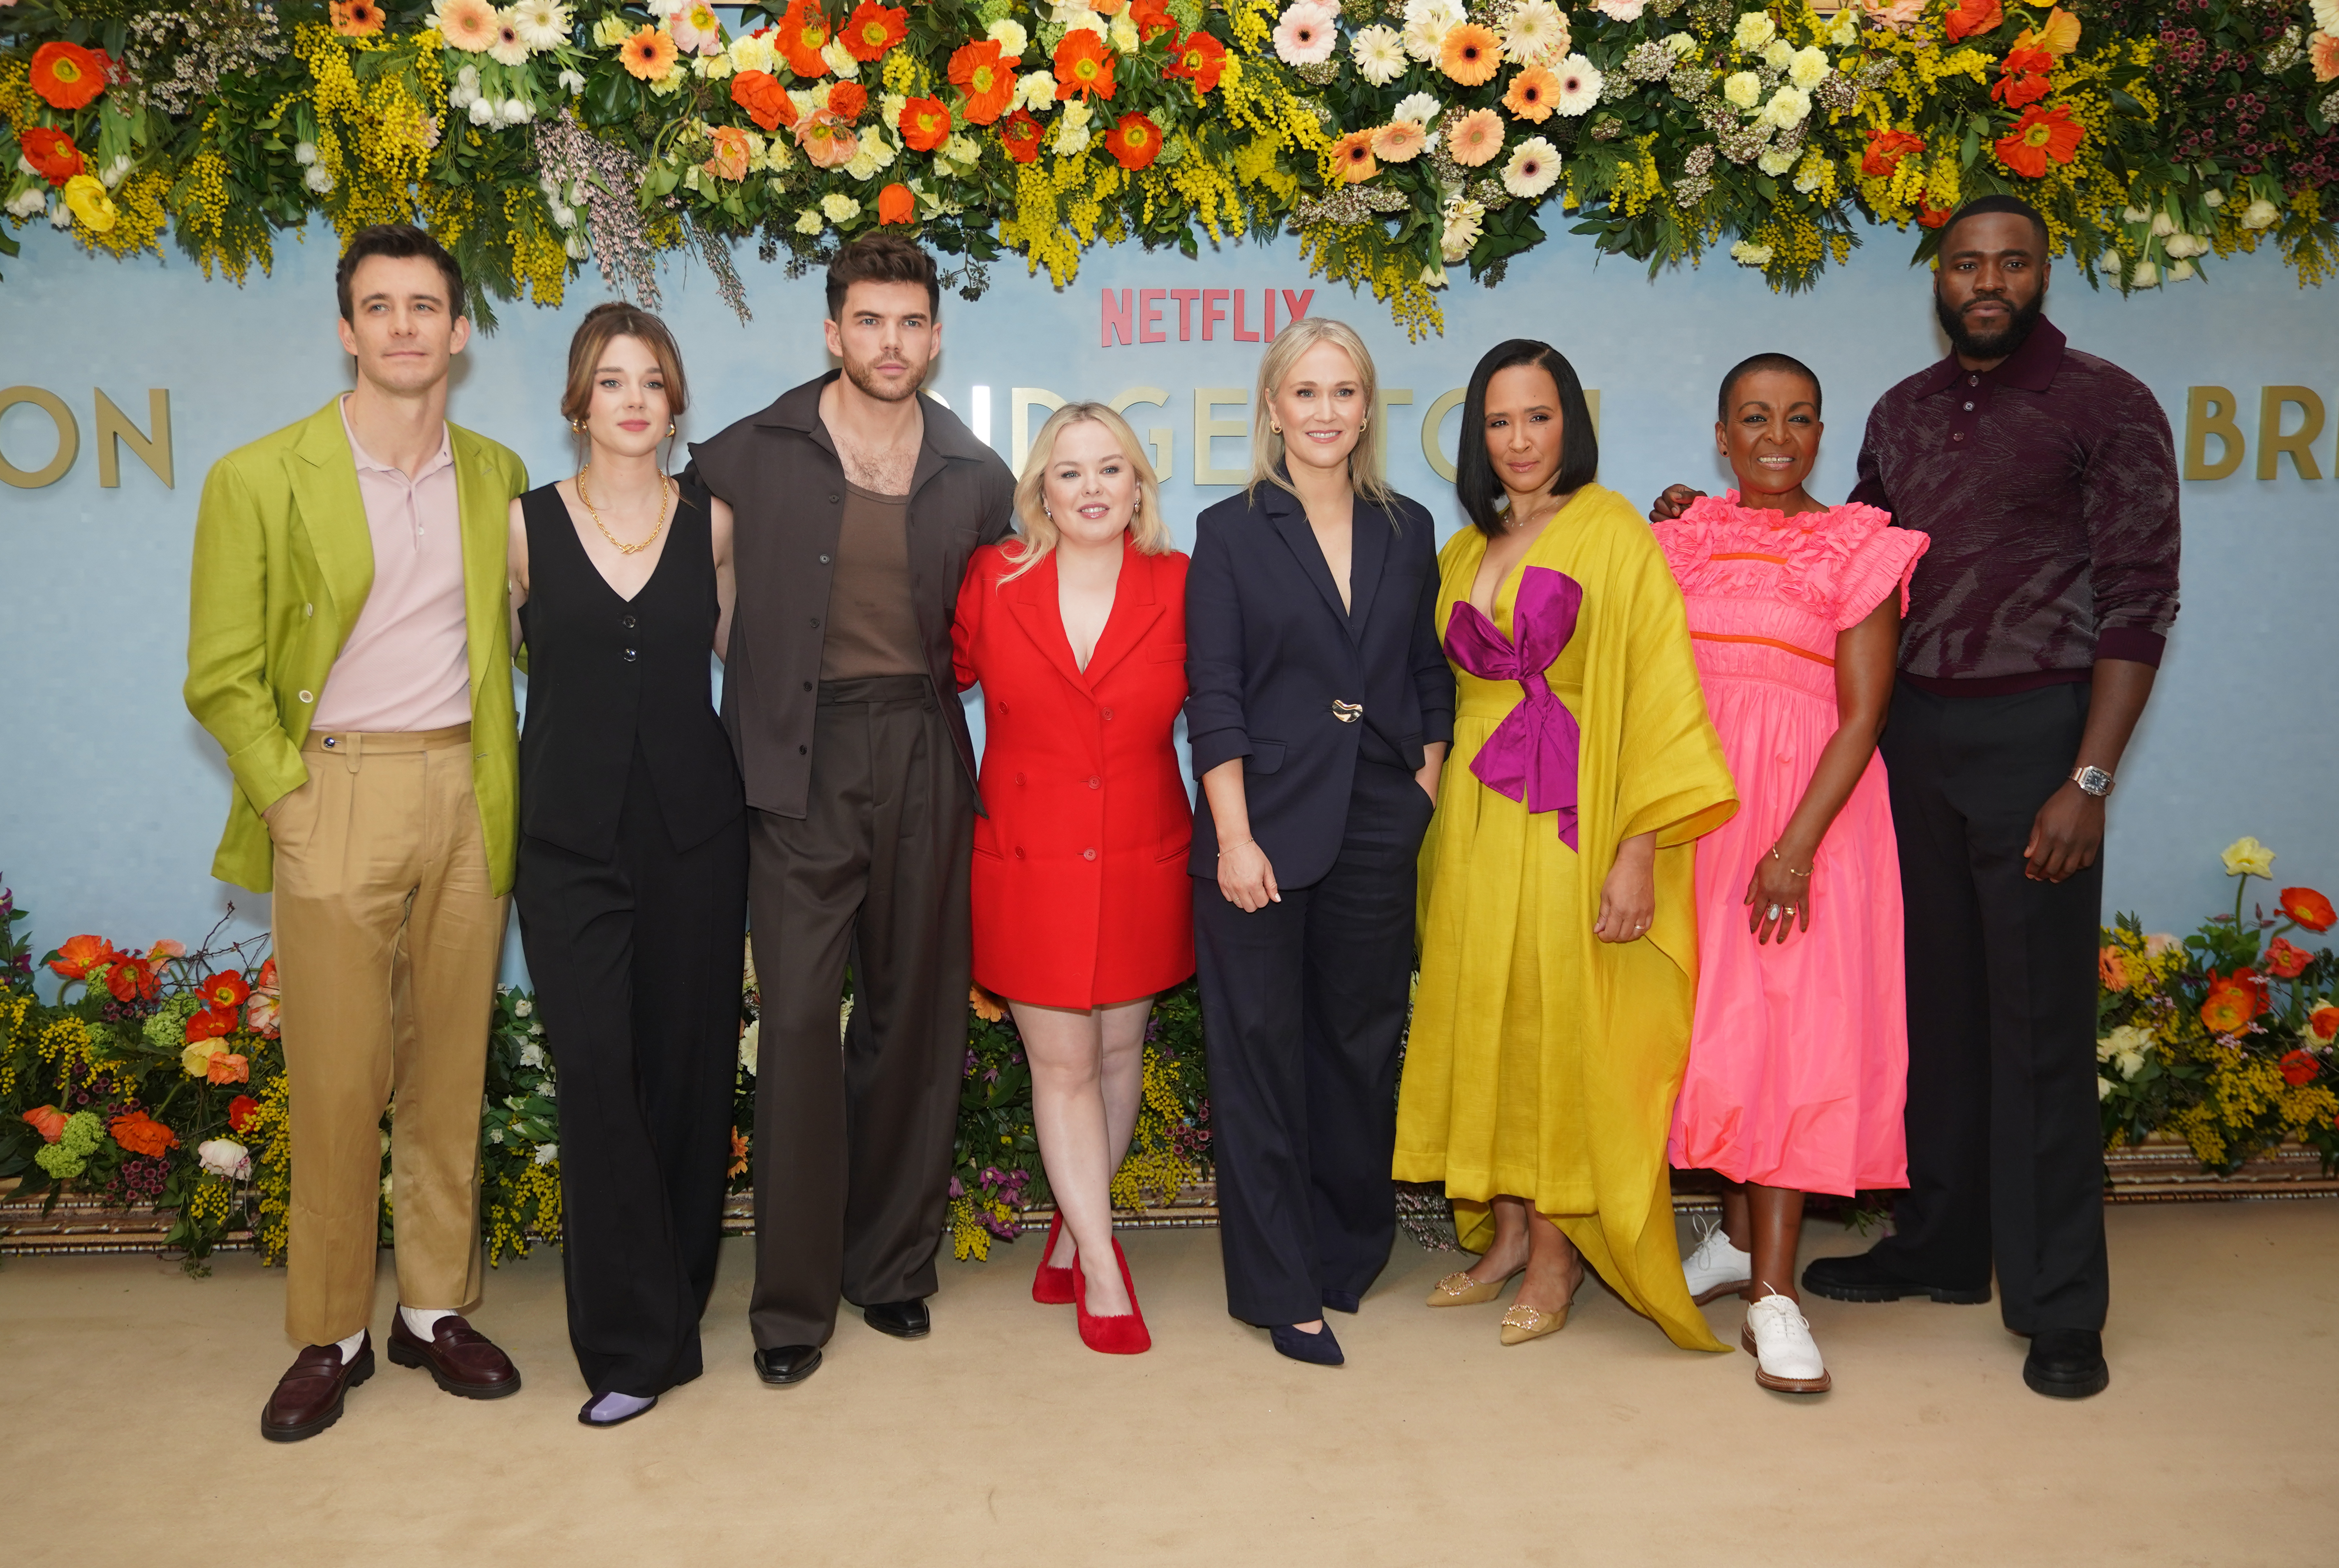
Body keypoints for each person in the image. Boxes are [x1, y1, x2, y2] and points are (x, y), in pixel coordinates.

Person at [1649, 194, 2180, 1399]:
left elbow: (2144, 594)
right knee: (1928, 1008)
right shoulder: (1904, 411)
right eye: (1964, 264)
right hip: (1911, 744)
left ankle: (2057, 1308)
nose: (1986, 281)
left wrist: (2089, 774)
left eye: (2011, 263)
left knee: (2038, 1025)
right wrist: (1705, 512)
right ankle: (1940, 1244)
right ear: (1939, 278)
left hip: (2040, 732)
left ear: (2046, 272)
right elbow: (1846, 545)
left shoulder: (2108, 402)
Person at [186, 224, 529, 1441]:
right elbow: (222, 674)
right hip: (331, 789)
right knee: (338, 1081)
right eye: (378, 305)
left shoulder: (496, 472)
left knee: (450, 1068)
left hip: (467, 791)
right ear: (346, 327)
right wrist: (289, 799)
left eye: (424, 305)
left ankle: (434, 1308)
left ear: (459, 330)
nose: (402, 325)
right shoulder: (260, 474)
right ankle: (330, 1330)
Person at [683, 234, 1015, 1387]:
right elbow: (693, 592)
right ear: (833, 331)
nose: (890, 342)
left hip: (923, 749)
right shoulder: (748, 452)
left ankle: (891, 1267)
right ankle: (790, 1303)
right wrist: (765, 675)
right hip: (797, 761)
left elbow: (1000, 634)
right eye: (868, 321)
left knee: (914, 1023)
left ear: (935, 335)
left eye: (910, 323)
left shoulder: (978, 474)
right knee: (799, 1034)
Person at [1396, 339, 1736, 1353]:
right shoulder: (1461, 550)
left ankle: (1558, 1254)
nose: (1518, 440)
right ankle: (1504, 1236)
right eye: (1498, 421)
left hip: (1572, 815)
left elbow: (1661, 692)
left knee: (1556, 1025)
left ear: (1570, 424)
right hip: (1476, 820)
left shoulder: (1612, 529)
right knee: (1483, 1014)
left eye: (1537, 417)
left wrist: (1639, 846)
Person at [1655, 353, 1928, 1394]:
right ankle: (1732, 1245)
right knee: (1719, 1031)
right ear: (1720, 435)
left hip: (1810, 825)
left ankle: (1776, 1293)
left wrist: (1796, 847)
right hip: (1705, 818)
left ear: (1824, 433)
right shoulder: (1682, 539)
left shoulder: (1858, 546)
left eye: (1800, 417)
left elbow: (1865, 714)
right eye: (1755, 417)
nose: (1778, 435)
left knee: (1789, 1040)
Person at [1185, 317, 1453, 1367]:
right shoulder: (1230, 530)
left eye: (1346, 392)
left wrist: (1421, 783)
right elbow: (1214, 694)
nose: (1327, 412)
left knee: (1354, 1051)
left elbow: (1428, 677)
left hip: (1379, 822)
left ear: (1366, 406)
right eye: (1307, 392)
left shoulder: (1410, 525)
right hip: (1259, 832)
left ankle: (1347, 1250)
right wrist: (1234, 838)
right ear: (1273, 407)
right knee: (1257, 1060)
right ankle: (1280, 1287)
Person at [507, 304, 746, 1427]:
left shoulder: (717, 524)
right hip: (567, 840)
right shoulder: (520, 528)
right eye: (611, 381)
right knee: (598, 1072)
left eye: (653, 379)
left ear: (674, 398)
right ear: (579, 400)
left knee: (689, 1072)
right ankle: (629, 1340)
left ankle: (678, 1284)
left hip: (697, 834)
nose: (634, 399)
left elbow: (740, 669)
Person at [950, 402, 1192, 1355]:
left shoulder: (1182, 582)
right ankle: (1100, 1261)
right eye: (1070, 471)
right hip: (1026, 857)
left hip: (1142, 851)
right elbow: (932, 679)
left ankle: (1069, 1227)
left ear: (1138, 486)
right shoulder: (991, 579)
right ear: (1040, 491)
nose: (1091, 488)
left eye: (1111, 469)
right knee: (1060, 1062)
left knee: (1116, 1056)